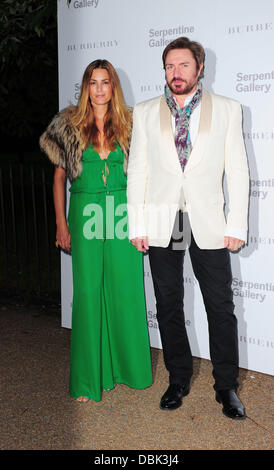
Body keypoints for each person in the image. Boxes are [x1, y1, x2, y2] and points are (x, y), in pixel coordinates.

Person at [127, 37, 249, 419]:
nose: (175, 73)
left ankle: (226, 386)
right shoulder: (145, 112)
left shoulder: (228, 109)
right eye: (168, 66)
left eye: (182, 65)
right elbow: (138, 172)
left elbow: (239, 171)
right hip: (164, 220)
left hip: (209, 220)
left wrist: (237, 225)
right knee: (167, 304)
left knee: (220, 306)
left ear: (199, 68)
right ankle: (177, 379)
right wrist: (137, 224)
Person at [40, 59, 153, 403]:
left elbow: (145, 175)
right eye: (93, 82)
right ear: (86, 87)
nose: (100, 88)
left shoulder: (131, 123)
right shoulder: (68, 123)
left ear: (113, 86)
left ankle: (130, 371)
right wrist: (61, 223)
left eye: (105, 82)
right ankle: (89, 379)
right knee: (88, 295)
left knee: (126, 291)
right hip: (85, 214)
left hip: (122, 214)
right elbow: (60, 178)